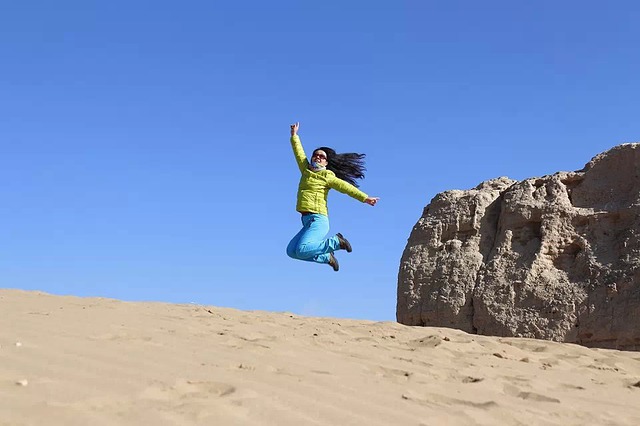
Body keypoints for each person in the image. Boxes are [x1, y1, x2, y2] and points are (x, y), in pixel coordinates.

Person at [286, 122, 379, 271]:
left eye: (321, 156)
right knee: (291, 251)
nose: (317, 157)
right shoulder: (306, 171)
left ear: (326, 162)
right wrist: (294, 136)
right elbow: (299, 153)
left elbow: (346, 187)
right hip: (306, 220)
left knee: (302, 249)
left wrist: (365, 198)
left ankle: (336, 242)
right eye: (315, 155)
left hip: (318, 219)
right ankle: (326, 257)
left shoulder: (327, 176)